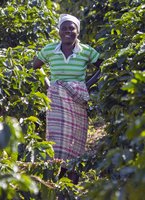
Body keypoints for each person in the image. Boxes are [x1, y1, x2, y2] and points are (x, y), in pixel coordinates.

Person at [32, 14, 103, 184]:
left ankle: (73, 180)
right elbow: (35, 66)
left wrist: (86, 84)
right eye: (64, 28)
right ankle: (57, 178)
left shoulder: (86, 51)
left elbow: (103, 67)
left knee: (76, 138)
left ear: (78, 31)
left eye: (72, 28)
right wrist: (49, 84)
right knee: (56, 139)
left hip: (77, 99)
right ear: (59, 32)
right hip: (56, 100)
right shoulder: (50, 50)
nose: (68, 32)